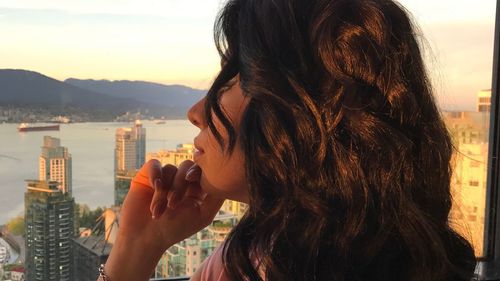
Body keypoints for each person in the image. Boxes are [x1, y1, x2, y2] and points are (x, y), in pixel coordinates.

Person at [99, 0, 477, 280]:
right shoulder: (248, 253)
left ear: (302, 109)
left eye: (236, 78)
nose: (196, 111)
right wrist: (138, 245)